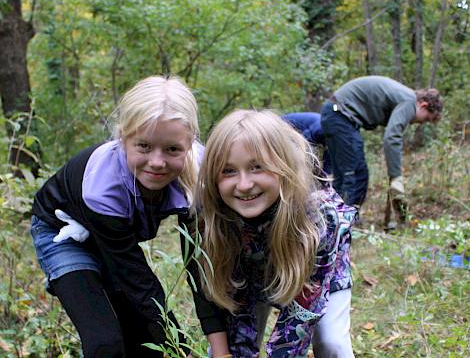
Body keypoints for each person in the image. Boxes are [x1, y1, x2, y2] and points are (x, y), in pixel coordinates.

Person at [29, 76, 201, 357]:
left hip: (113, 239)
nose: (157, 162)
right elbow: (137, 279)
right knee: (106, 343)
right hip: (64, 233)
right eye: (144, 146)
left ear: (190, 142)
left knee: (147, 343)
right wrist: (182, 348)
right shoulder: (103, 186)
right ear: (123, 137)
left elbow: (199, 264)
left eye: (172, 149)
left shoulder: (197, 172)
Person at [189, 110, 356, 358]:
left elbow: (300, 319)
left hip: (315, 276)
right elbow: (238, 306)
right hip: (252, 277)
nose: (244, 185)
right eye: (229, 171)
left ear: (283, 165)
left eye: (257, 167)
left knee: (333, 343)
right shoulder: (215, 215)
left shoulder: (320, 217)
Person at [320, 76, 443, 211]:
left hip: (334, 112)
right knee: (356, 175)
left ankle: (332, 219)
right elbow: (392, 137)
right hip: (340, 115)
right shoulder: (410, 101)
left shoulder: (403, 96)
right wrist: (396, 177)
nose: (421, 123)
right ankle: (344, 222)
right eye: (425, 118)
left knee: (344, 176)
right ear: (423, 105)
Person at [281, 112, 331, 176]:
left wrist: (325, 177)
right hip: (282, 126)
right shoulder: (325, 126)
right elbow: (304, 139)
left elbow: (329, 162)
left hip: (299, 132)